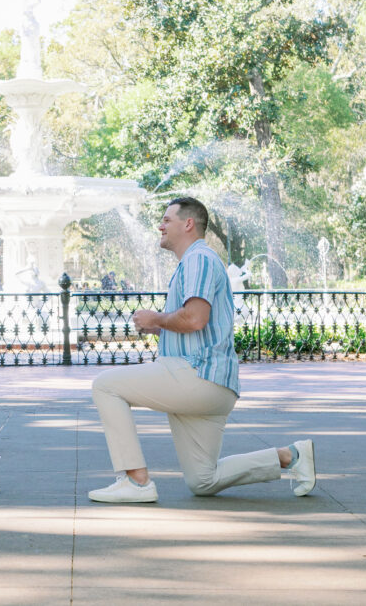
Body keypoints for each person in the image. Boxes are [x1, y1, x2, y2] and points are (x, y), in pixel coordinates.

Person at [88, 197, 316, 503]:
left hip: (198, 376)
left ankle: (136, 481)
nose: (160, 225)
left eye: (167, 220)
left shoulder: (198, 259)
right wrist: (161, 327)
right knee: (203, 480)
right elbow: (195, 323)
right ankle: (293, 457)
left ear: (188, 224)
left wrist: (154, 317)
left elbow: (195, 318)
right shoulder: (197, 261)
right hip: (213, 386)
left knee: (106, 386)